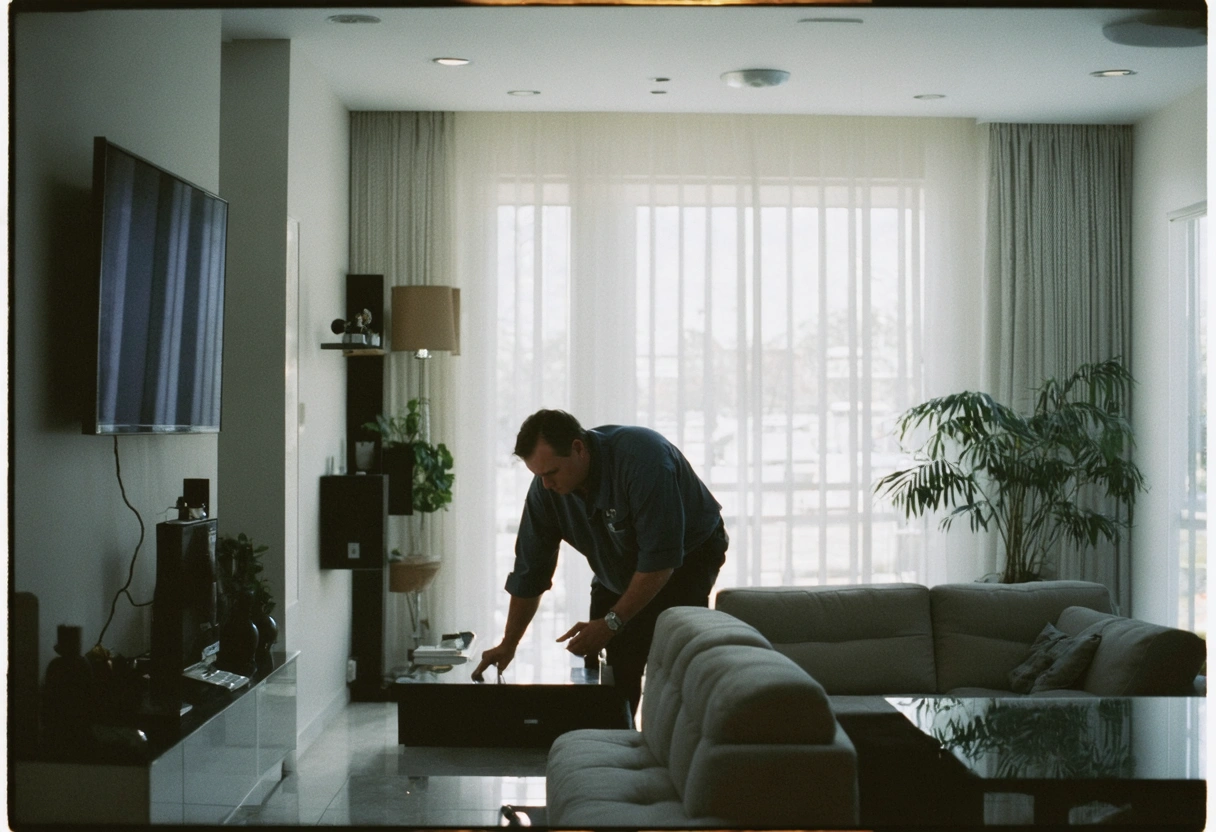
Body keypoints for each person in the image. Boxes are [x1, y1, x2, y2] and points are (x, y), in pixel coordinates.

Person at [472, 409, 728, 714]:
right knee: (614, 659)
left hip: (688, 555)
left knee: (672, 651)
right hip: (618, 562)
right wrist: (509, 643)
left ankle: (675, 740)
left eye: (551, 473)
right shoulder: (546, 491)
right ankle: (619, 743)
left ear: (579, 448)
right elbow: (530, 573)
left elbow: (660, 562)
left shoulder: (644, 462)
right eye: (537, 476)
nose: (545, 485)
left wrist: (612, 622)